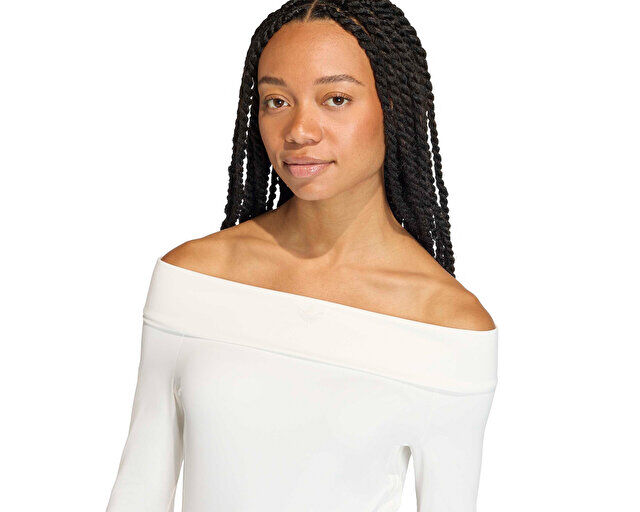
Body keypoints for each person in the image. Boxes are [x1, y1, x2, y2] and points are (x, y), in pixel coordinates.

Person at [105, 1, 498, 511]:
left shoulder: (448, 325)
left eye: (336, 99)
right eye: (276, 101)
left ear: (397, 107)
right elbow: (138, 490)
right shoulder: (194, 280)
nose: (299, 131)